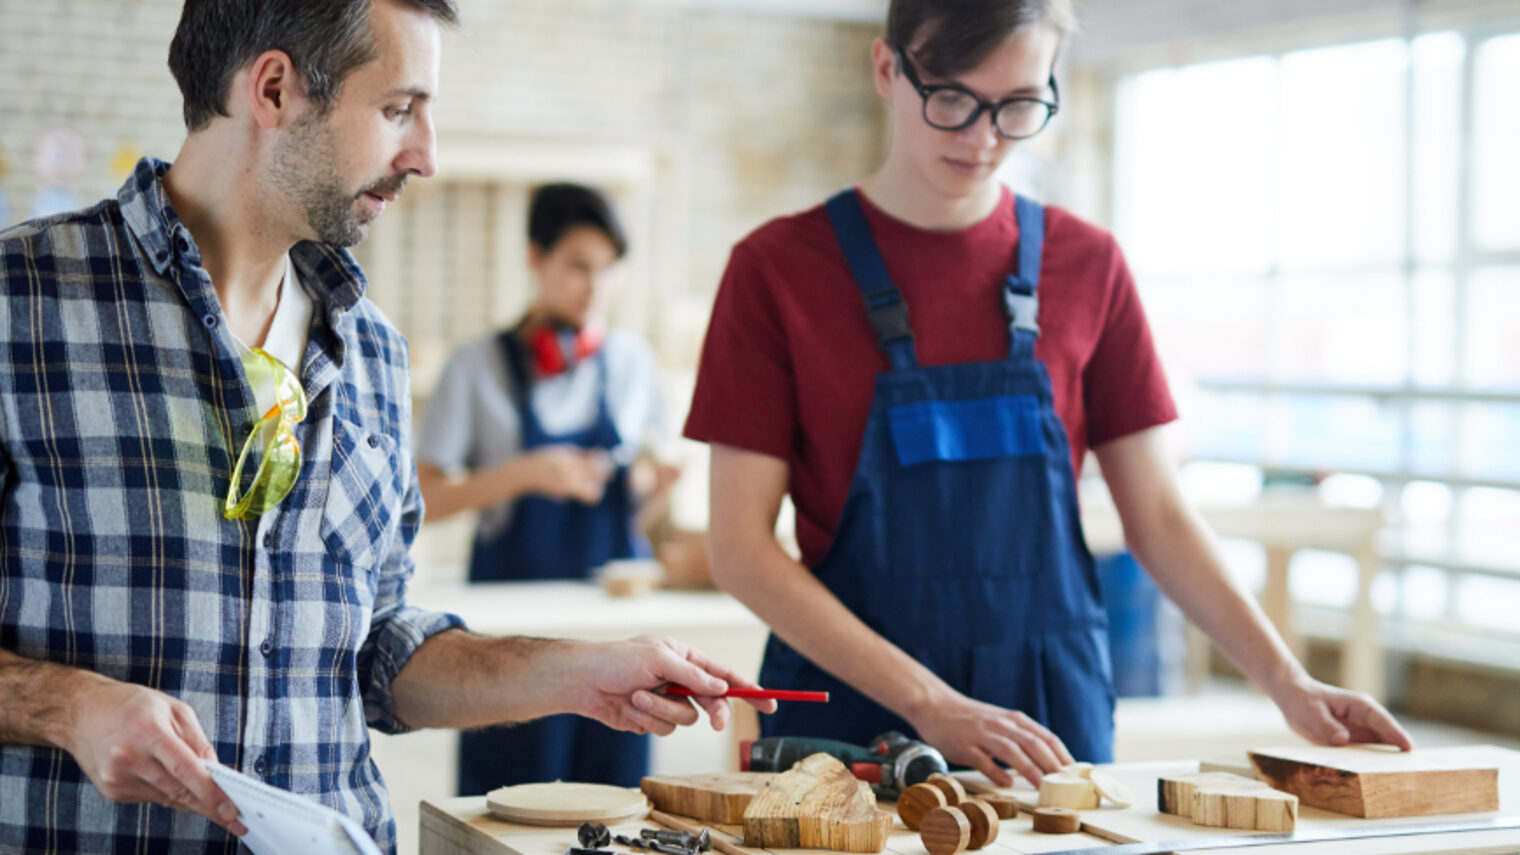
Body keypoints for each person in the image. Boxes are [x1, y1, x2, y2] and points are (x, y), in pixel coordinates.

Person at [0, 2, 770, 852]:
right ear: (275, 88)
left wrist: (578, 671)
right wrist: (67, 706)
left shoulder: (372, 352)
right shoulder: (19, 301)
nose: (426, 155)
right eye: (399, 109)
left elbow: (381, 655)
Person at [684, 0, 1413, 790]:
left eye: (1019, 106)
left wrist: (1287, 680)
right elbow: (741, 547)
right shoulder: (777, 271)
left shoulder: (1088, 264)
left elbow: (1159, 515)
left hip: (1047, 714)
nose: (983, 137)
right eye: (954, 99)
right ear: (888, 70)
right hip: (857, 719)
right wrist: (930, 702)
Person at [416, 183, 678, 793]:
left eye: (609, 271)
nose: (596, 288)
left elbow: (639, 518)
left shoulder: (634, 364)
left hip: (613, 635)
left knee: (614, 805)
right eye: (578, 267)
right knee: (506, 803)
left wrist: (656, 486)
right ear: (535, 258)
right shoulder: (475, 366)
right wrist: (527, 474)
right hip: (511, 641)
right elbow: (421, 502)